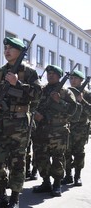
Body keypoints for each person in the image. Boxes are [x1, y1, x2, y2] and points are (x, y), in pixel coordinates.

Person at [0, 37, 42, 208]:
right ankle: (1, 197)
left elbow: (38, 95)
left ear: (20, 52)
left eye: (11, 48)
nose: (7, 51)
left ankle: (15, 199)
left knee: (17, 163)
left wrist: (18, 84)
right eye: (5, 47)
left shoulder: (29, 73)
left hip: (19, 125)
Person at [32, 65, 77, 197]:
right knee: (41, 157)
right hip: (41, 130)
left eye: (53, 74)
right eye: (49, 73)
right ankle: (46, 182)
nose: (50, 75)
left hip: (58, 131)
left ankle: (57, 184)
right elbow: (32, 104)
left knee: (58, 158)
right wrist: (35, 114)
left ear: (59, 76)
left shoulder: (66, 92)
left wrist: (59, 101)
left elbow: (73, 111)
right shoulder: (41, 90)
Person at [61, 70, 91, 186]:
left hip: (81, 129)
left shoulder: (87, 94)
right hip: (68, 126)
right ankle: (68, 175)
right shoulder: (67, 92)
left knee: (79, 153)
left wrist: (81, 100)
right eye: (71, 78)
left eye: (75, 78)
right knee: (66, 152)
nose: (72, 80)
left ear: (81, 80)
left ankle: (77, 176)